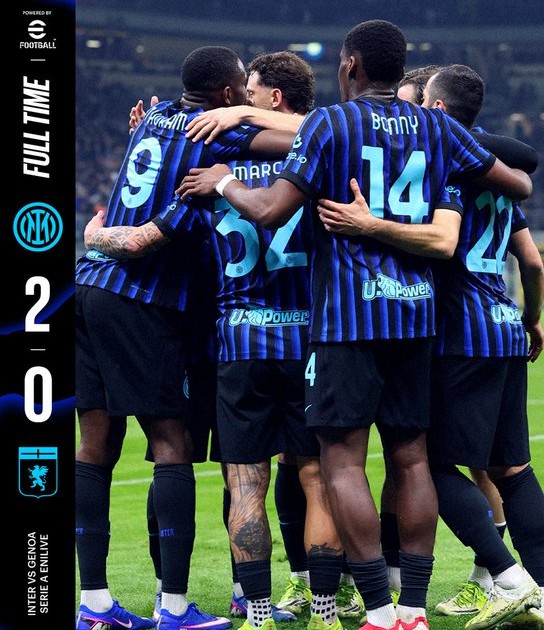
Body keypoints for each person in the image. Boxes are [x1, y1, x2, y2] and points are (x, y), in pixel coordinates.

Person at [176, 20, 533, 630]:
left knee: (341, 462)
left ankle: (378, 608)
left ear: (350, 66)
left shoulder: (331, 124)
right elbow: (518, 180)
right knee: (412, 458)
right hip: (416, 317)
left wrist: (225, 180)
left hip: (347, 320)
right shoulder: (437, 126)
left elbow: (270, 210)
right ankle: (413, 609)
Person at [84, 49, 350, 630]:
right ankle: (297, 605)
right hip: (262, 329)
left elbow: (146, 218)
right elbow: (326, 135)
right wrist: (238, 124)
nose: (244, 104)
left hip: (178, 320)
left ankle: (125, 600)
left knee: (195, 463)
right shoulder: (247, 151)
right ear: (226, 94)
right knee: (277, 466)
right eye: (240, 95)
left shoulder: (174, 137)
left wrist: (94, 235)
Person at [315, 63, 544, 630]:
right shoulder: (491, 176)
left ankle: (505, 576)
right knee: (512, 468)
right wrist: (532, 320)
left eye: (418, 105)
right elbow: (533, 261)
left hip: (458, 331)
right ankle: (536, 588)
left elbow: (445, 240)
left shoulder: (447, 166)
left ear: (437, 111)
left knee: (426, 462)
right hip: (504, 326)